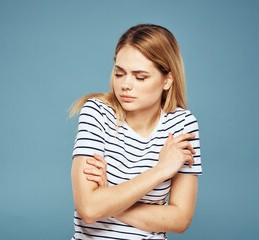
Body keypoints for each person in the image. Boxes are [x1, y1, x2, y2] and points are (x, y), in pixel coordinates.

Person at [69, 24, 202, 240]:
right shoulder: (97, 113)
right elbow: (90, 209)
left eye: (140, 77)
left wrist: (110, 201)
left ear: (167, 79)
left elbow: (180, 219)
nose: (126, 85)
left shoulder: (182, 124)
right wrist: (160, 170)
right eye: (119, 73)